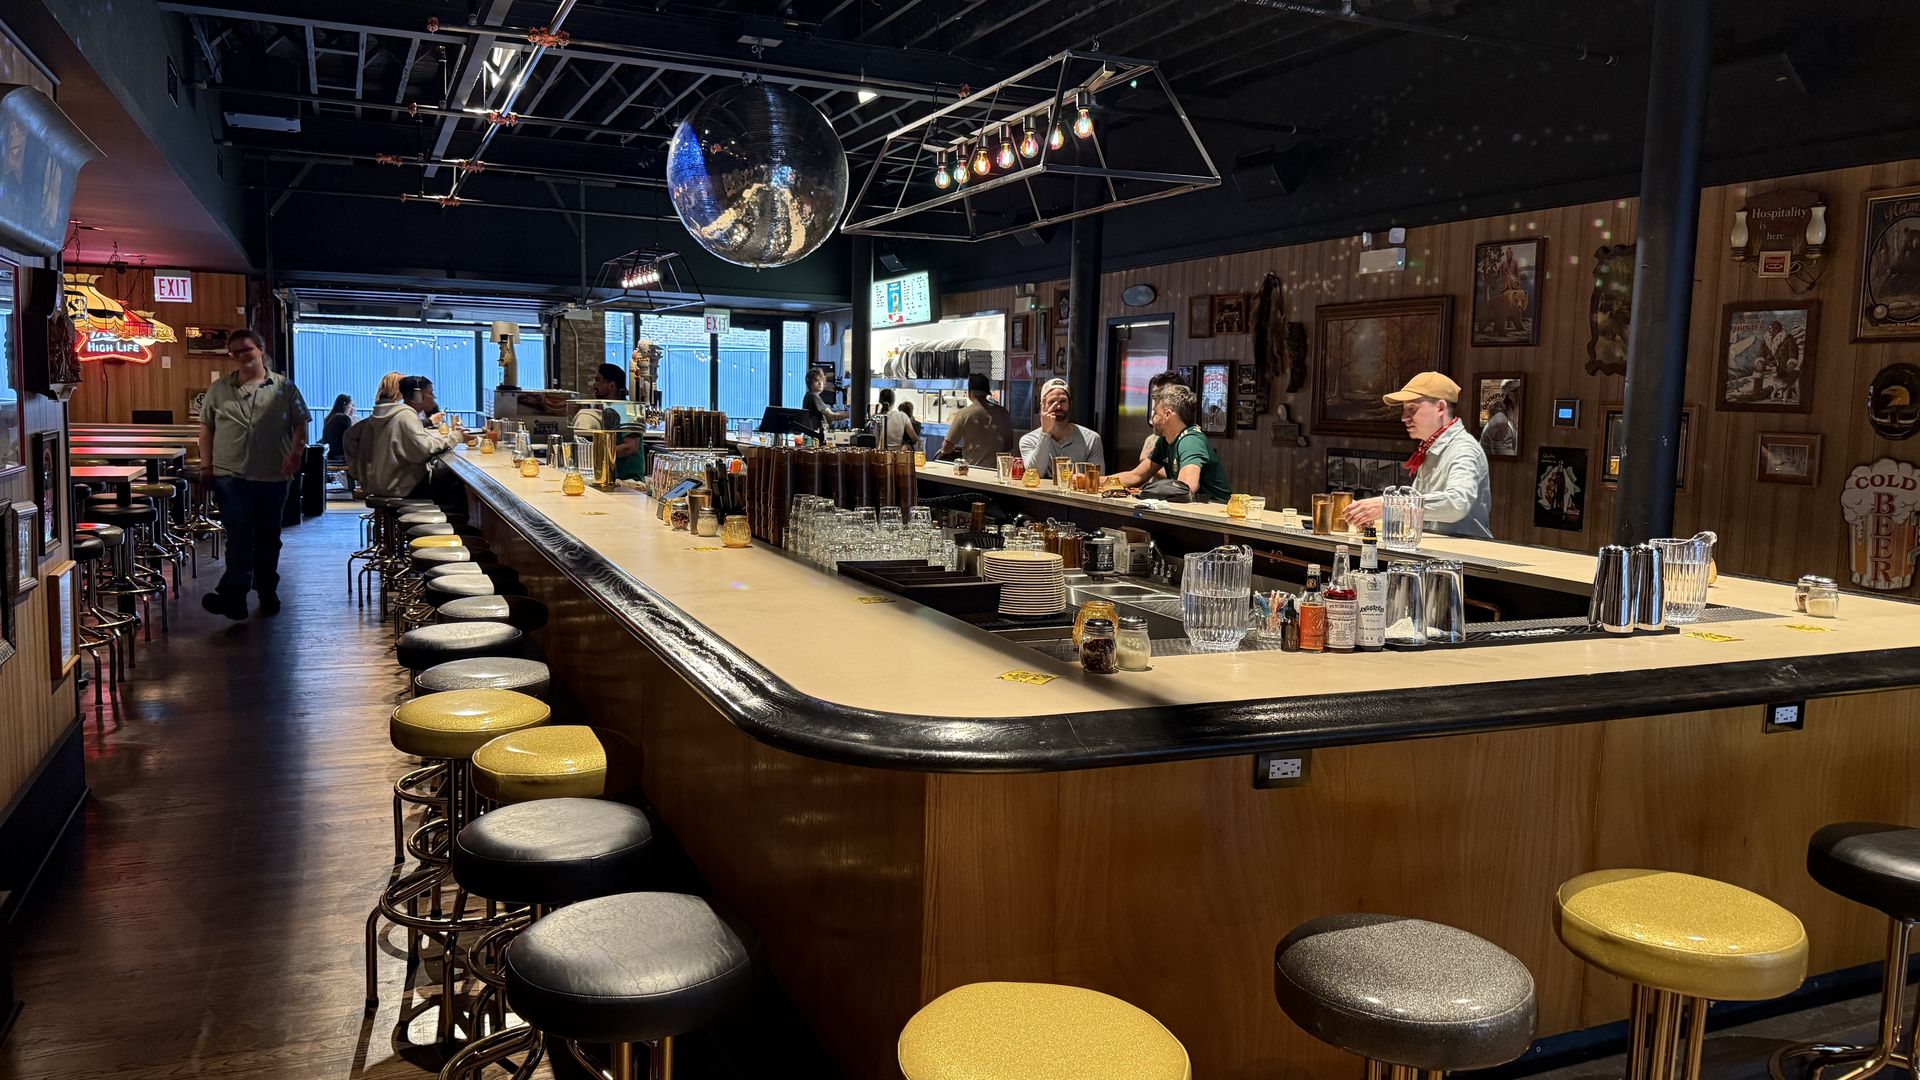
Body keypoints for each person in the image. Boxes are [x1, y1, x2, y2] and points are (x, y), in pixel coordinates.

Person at [197, 329, 310, 619]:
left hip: (273, 474)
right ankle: (234, 597)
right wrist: (206, 465)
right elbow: (206, 429)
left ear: (260, 349)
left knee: (268, 538)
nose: (240, 355)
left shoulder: (285, 387)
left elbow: (301, 423)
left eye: (246, 349)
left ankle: (266, 590)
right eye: (234, 352)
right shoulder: (219, 389)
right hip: (229, 474)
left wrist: (296, 453)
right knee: (238, 536)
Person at [1343, 371, 1492, 538]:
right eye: (1404, 410)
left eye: (1412, 409)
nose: (1403, 417)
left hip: (1465, 552)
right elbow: (1419, 514)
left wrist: (1388, 506)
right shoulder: (1430, 447)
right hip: (1437, 549)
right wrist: (1374, 516)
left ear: (1440, 407)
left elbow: (1457, 503)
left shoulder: (1463, 448)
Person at [1109, 382, 1230, 502]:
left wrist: (1148, 492)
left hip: (1214, 509)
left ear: (1167, 415)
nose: (1153, 418)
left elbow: (1187, 487)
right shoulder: (1164, 441)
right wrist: (1099, 480)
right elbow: (1136, 476)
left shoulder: (1190, 441)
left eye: (1155, 413)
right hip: (1189, 508)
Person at [358, 375, 456, 504]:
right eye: (430, 392)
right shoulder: (405, 415)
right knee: (456, 479)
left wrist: (361, 476)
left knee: (445, 476)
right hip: (401, 487)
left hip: (383, 485)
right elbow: (426, 450)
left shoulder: (386, 414)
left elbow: (350, 438)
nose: (434, 397)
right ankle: (451, 517)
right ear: (417, 396)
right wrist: (456, 437)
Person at [1018, 378, 1103, 479]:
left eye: (1063, 401)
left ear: (1070, 404)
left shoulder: (1092, 439)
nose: (1058, 406)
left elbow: (1097, 480)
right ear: (1043, 406)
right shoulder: (1028, 440)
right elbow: (1035, 475)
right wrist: (1045, 434)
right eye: (1052, 402)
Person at [936, 373, 1016, 467]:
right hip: (997, 470)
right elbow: (1009, 445)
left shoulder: (963, 414)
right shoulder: (1003, 412)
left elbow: (947, 447)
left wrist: (944, 451)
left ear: (970, 392)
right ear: (987, 392)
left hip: (972, 469)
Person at [802, 368, 847, 437]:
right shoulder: (813, 395)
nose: (820, 383)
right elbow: (831, 416)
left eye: (821, 380)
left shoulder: (810, 395)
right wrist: (851, 414)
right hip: (813, 436)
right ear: (810, 384)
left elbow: (827, 418)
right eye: (816, 381)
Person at [322, 395, 354, 461]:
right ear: (345, 404)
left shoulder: (328, 418)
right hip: (340, 456)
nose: (351, 408)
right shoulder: (345, 418)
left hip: (329, 455)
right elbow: (348, 440)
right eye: (350, 405)